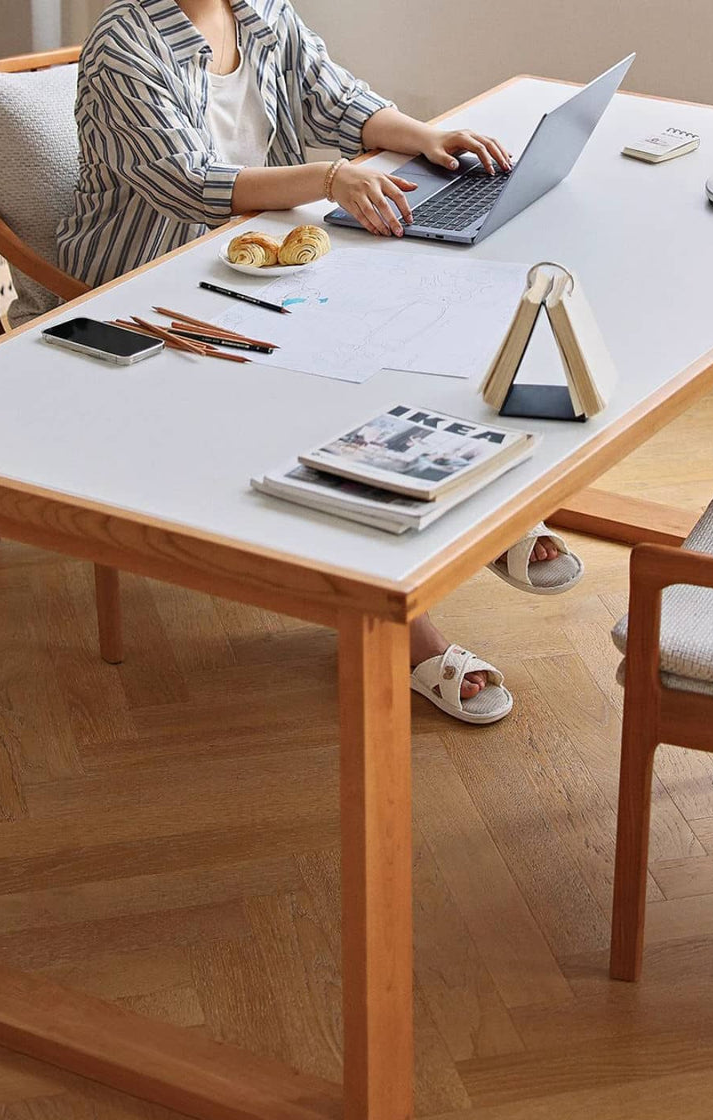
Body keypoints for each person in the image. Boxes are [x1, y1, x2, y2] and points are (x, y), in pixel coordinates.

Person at [59, 0, 584, 723]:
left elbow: (337, 101)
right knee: (337, 369)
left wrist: (427, 137)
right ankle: (411, 627)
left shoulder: (260, 11)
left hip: (261, 260)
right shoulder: (124, 42)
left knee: (411, 315)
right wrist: (332, 180)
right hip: (151, 281)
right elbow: (189, 183)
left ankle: (461, 495)